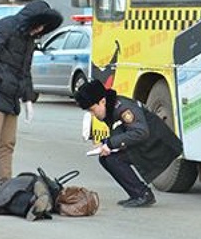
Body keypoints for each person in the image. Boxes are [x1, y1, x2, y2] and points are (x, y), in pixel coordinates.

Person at [0, 0, 62, 198]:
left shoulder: (29, 38)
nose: (39, 30)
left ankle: (6, 187)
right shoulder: (3, 28)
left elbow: (25, 71)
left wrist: (28, 98)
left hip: (12, 96)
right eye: (38, 25)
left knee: (8, 144)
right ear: (30, 20)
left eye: (43, 28)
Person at [74, 79, 182, 208]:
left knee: (113, 160)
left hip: (157, 144)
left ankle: (143, 194)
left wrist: (110, 144)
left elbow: (140, 132)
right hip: (146, 143)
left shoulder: (123, 108)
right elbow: (121, 131)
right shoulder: (111, 107)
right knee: (105, 158)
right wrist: (104, 143)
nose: (93, 114)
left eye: (92, 109)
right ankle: (137, 194)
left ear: (102, 101)